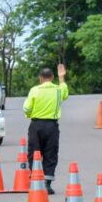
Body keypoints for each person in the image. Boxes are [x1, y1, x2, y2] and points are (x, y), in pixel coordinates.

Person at [23, 64, 69, 195]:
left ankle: (36, 181)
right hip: (52, 126)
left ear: (40, 78)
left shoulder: (35, 90)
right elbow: (65, 93)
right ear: (52, 77)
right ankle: (47, 184)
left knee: (34, 153)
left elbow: (26, 108)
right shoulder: (58, 90)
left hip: (36, 125)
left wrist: (29, 115)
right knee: (51, 153)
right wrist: (62, 78)